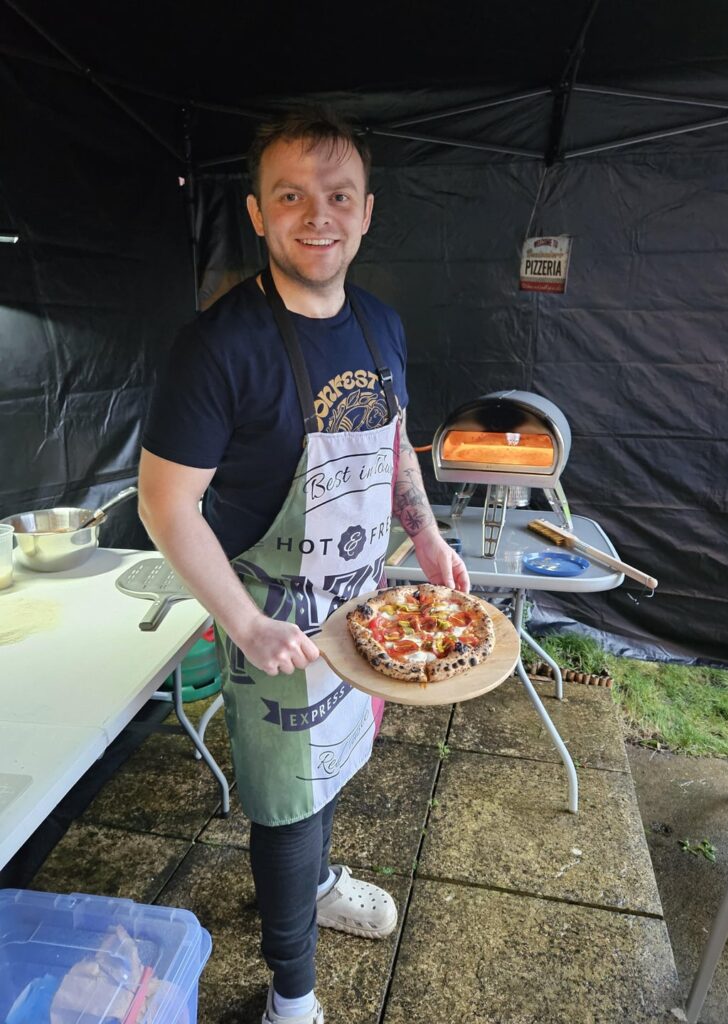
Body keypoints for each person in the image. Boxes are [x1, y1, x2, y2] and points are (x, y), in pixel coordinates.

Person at [138, 107, 469, 1024]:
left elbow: (395, 439)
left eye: (337, 197)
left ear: (366, 214)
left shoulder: (381, 324)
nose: (316, 215)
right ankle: (293, 997)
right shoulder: (217, 346)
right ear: (256, 213)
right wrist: (243, 622)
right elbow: (164, 506)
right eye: (292, 196)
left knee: (336, 764)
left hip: (360, 606)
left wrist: (429, 537)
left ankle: (322, 882)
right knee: (284, 805)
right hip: (275, 623)